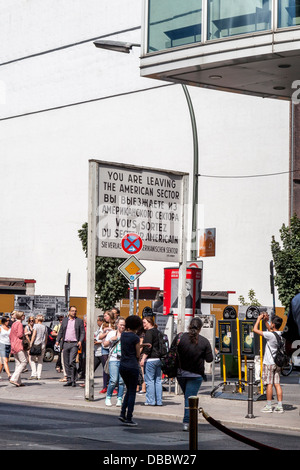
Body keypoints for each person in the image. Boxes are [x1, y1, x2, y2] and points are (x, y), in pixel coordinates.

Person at [175, 316, 213, 431]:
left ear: (189, 325)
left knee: (187, 397)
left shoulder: (180, 337)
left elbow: (173, 352)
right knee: (189, 398)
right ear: (200, 328)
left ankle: (189, 420)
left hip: (181, 373)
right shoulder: (204, 341)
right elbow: (209, 359)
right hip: (196, 375)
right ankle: (187, 422)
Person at [253, 312, 284, 413]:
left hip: (269, 363)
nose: (270, 324)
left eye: (271, 323)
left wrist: (258, 319)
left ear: (273, 325)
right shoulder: (281, 334)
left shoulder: (269, 335)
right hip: (278, 363)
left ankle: (269, 406)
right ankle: (279, 406)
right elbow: (271, 330)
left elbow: (255, 329)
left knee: (269, 384)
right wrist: (266, 321)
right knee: (277, 384)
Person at [119, 315, 143, 427]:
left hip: (122, 365)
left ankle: (122, 413)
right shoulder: (135, 338)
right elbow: (137, 354)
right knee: (132, 391)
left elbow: (129, 347)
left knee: (128, 390)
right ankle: (129, 417)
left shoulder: (123, 335)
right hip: (132, 366)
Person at [56, 306, 85, 387]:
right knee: (66, 363)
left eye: (75, 311)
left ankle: (73, 379)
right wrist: (57, 341)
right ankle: (69, 379)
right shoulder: (65, 320)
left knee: (71, 361)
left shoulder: (79, 321)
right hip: (65, 343)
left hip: (74, 344)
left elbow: (82, 332)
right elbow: (61, 331)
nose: (74, 312)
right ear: (69, 311)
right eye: (72, 311)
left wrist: (80, 341)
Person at [140, 316, 163, 406]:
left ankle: (150, 401)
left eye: (144, 322)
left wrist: (143, 359)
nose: (143, 325)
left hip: (150, 359)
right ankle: (159, 401)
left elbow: (148, 347)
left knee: (149, 381)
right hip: (158, 359)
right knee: (158, 381)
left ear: (150, 322)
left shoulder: (149, 332)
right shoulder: (158, 332)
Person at [103, 317, 126, 407]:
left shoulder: (126, 334)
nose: (122, 327)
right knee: (113, 380)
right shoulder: (112, 333)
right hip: (113, 359)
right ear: (117, 325)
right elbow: (104, 344)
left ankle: (119, 398)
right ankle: (108, 397)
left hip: (123, 360)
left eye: (124, 325)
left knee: (121, 381)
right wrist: (111, 340)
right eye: (121, 325)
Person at [98, 310, 115, 394]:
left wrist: (111, 329)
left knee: (113, 367)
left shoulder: (115, 325)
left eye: (106, 316)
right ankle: (105, 386)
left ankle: (112, 386)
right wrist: (106, 332)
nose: (104, 317)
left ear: (110, 316)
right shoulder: (103, 326)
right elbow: (100, 337)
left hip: (113, 347)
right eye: (104, 316)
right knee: (105, 367)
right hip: (105, 347)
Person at [9, 311, 28, 387]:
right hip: (19, 344)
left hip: (13, 344)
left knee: (18, 363)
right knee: (24, 362)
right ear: (21, 316)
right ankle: (13, 378)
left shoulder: (14, 324)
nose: (24, 316)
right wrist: (26, 333)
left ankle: (18, 381)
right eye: (23, 315)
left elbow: (10, 335)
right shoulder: (19, 324)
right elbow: (20, 335)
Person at [29, 314, 48, 380]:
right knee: (40, 361)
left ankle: (34, 374)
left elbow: (34, 335)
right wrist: (45, 345)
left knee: (32, 359)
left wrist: (31, 343)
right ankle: (39, 375)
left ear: (37, 319)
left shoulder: (35, 326)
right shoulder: (45, 327)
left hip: (36, 344)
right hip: (42, 345)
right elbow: (46, 337)